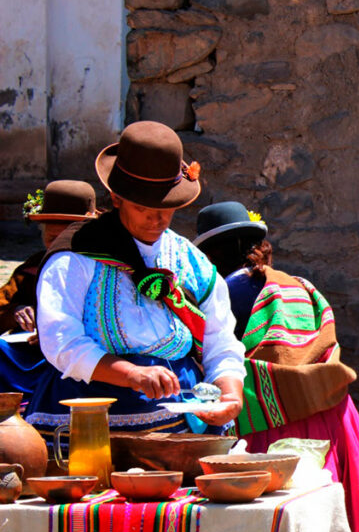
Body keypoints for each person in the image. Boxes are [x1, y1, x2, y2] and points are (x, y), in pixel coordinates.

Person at [194, 200, 359, 532]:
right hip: (326, 409)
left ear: (213, 253)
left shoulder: (225, 293)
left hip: (270, 420)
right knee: (323, 512)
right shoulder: (302, 286)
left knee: (279, 525)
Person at [29, 121, 245, 448]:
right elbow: (62, 341)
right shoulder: (75, 257)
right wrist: (133, 375)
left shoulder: (192, 262)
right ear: (116, 199)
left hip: (180, 430)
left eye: (166, 210)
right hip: (90, 425)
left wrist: (229, 392)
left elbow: (220, 340)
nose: (156, 220)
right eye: (143, 208)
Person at [0, 181, 98, 398]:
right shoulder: (32, 268)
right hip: (33, 361)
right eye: (51, 238)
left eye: (65, 238)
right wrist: (15, 313)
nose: (56, 245)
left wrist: (57, 337)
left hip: (88, 361)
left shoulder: (104, 269)